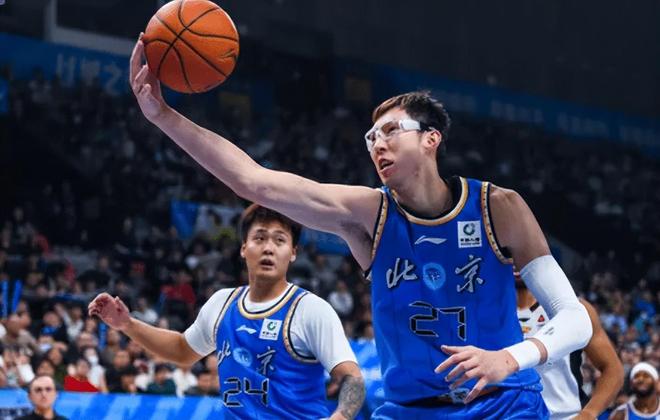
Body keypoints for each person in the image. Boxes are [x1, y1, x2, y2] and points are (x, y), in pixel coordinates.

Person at [128, 34, 592, 417]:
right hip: (410, 410)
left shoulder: (499, 208)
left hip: (503, 403)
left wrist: (510, 358)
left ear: (431, 139)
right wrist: (161, 115)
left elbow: (574, 319)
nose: (377, 144)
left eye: (391, 131)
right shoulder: (368, 214)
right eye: (371, 137)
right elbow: (255, 182)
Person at [89, 204, 364, 419]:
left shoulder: (311, 310)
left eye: (279, 240)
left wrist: (338, 418)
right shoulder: (222, 303)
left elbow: (353, 379)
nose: (268, 248)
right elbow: (182, 350)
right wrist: (127, 324)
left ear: (293, 252)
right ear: (244, 248)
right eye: (260, 238)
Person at [517, 275, 624, 419]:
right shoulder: (486, 312)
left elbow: (613, 369)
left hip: (566, 415)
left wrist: (589, 413)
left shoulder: (574, 309)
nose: (514, 263)